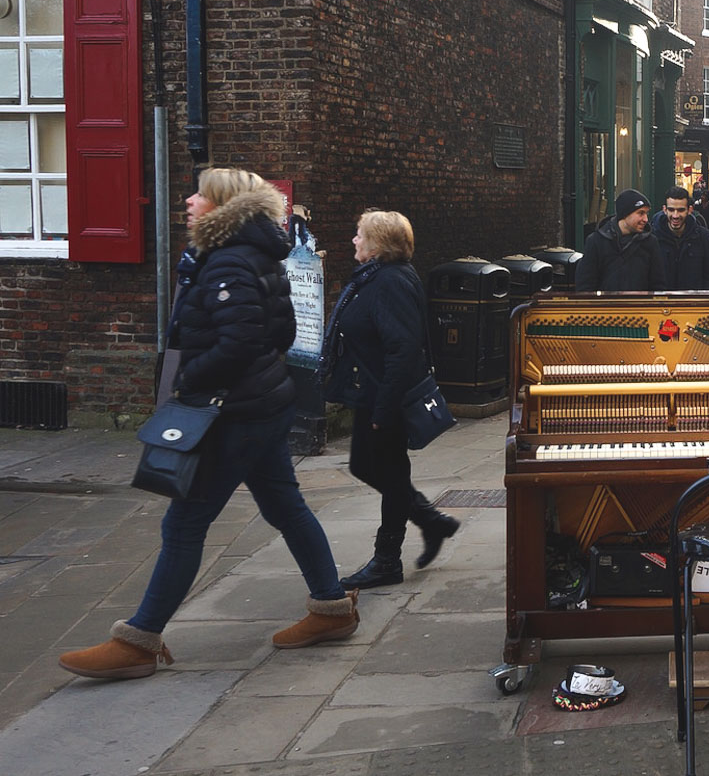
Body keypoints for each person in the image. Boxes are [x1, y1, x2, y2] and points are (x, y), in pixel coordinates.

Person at [59, 169, 358, 680]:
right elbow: (282, 333)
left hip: (232, 414)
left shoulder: (228, 262)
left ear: (224, 206)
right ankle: (331, 608)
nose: (190, 199)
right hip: (261, 405)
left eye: (201, 193)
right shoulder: (256, 254)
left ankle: (139, 641)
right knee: (285, 506)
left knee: (184, 524)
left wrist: (189, 381)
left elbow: (239, 341)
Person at [321, 210, 460, 590]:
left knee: (386, 471)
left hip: (386, 397)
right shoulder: (375, 277)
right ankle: (431, 522)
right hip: (372, 392)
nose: (353, 240)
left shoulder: (390, 283)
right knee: (371, 467)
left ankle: (387, 559)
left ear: (378, 244)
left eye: (359, 234)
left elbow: (402, 350)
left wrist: (384, 408)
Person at [575, 189, 666, 292]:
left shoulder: (650, 242)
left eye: (646, 213)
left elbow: (658, 285)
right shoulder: (596, 241)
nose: (645, 219)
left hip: (639, 307)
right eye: (640, 213)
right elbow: (585, 285)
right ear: (625, 214)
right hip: (604, 307)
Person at [653, 186, 709, 291]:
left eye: (681, 210)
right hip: (662, 303)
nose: (675, 215)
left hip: (693, 303)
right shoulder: (653, 237)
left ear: (690, 210)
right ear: (664, 210)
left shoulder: (702, 236)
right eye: (671, 210)